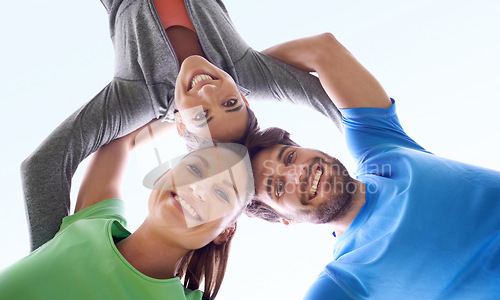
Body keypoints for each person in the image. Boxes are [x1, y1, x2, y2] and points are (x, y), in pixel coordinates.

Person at [21, 0, 341, 251]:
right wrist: (376, 151)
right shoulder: (242, 71)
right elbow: (323, 96)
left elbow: (42, 167)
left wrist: (49, 264)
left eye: (202, 115)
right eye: (230, 104)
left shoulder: (137, 94)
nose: (208, 92)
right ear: (246, 100)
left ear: (179, 125)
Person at [245, 33, 500, 300]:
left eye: (289, 157)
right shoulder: (343, 288)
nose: (296, 173)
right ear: (284, 220)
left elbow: (322, 49)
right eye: (276, 187)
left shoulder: (380, 148)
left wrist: (229, 95)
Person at [1, 120, 285, 300]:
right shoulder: (94, 218)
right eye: (197, 169)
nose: (199, 189)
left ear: (225, 231)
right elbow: (122, 132)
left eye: (223, 194)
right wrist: (198, 112)